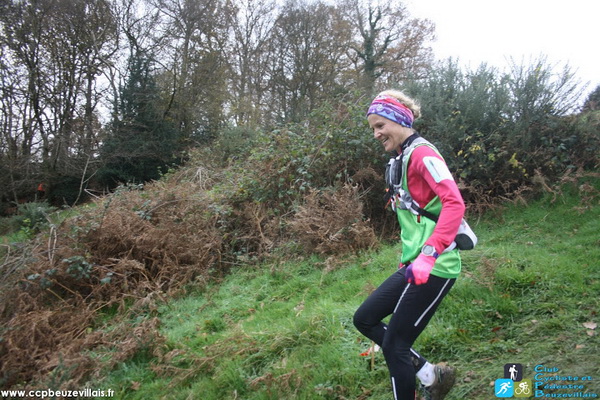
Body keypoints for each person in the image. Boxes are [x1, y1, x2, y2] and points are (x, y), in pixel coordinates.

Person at [353, 90, 465, 400]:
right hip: (413, 265)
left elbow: (454, 204)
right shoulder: (401, 157)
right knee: (364, 318)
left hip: (436, 265)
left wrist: (428, 255)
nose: (376, 134)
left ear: (398, 119)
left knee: (394, 347)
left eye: (379, 126)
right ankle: (432, 376)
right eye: (373, 128)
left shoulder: (422, 154)